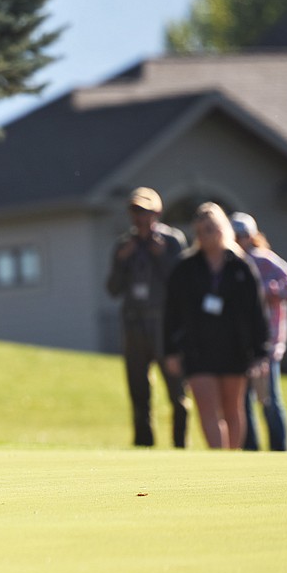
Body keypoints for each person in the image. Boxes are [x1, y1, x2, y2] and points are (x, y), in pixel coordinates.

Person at [163, 203, 270, 450]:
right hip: (198, 350)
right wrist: (170, 350)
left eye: (211, 229)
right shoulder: (186, 268)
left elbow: (257, 312)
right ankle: (218, 459)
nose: (206, 235)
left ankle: (231, 460)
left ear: (222, 229)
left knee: (233, 408)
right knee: (207, 408)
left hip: (235, 349)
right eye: (200, 231)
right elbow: (171, 312)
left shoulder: (240, 267)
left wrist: (261, 352)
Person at [105, 187, 190, 448]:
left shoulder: (172, 241)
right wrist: (122, 260)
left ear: (157, 212)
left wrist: (160, 255)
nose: (139, 218)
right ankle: (144, 445)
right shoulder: (123, 244)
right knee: (138, 392)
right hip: (134, 324)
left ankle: (180, 446)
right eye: (135, 212)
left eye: (144, 211)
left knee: (177, 393)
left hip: (164, 325)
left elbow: (182, 284)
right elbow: (112, 289)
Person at [230, 213, 287, 451]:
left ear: (252, 236)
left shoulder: (265, 260)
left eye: (244, 236)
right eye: (236, 235)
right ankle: (250, 450)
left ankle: (279, 450)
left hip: (268, 344)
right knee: (243, 401)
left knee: (269, 399)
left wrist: (274, 291)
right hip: (241, 344)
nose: (241, 240)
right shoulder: (231, 262)